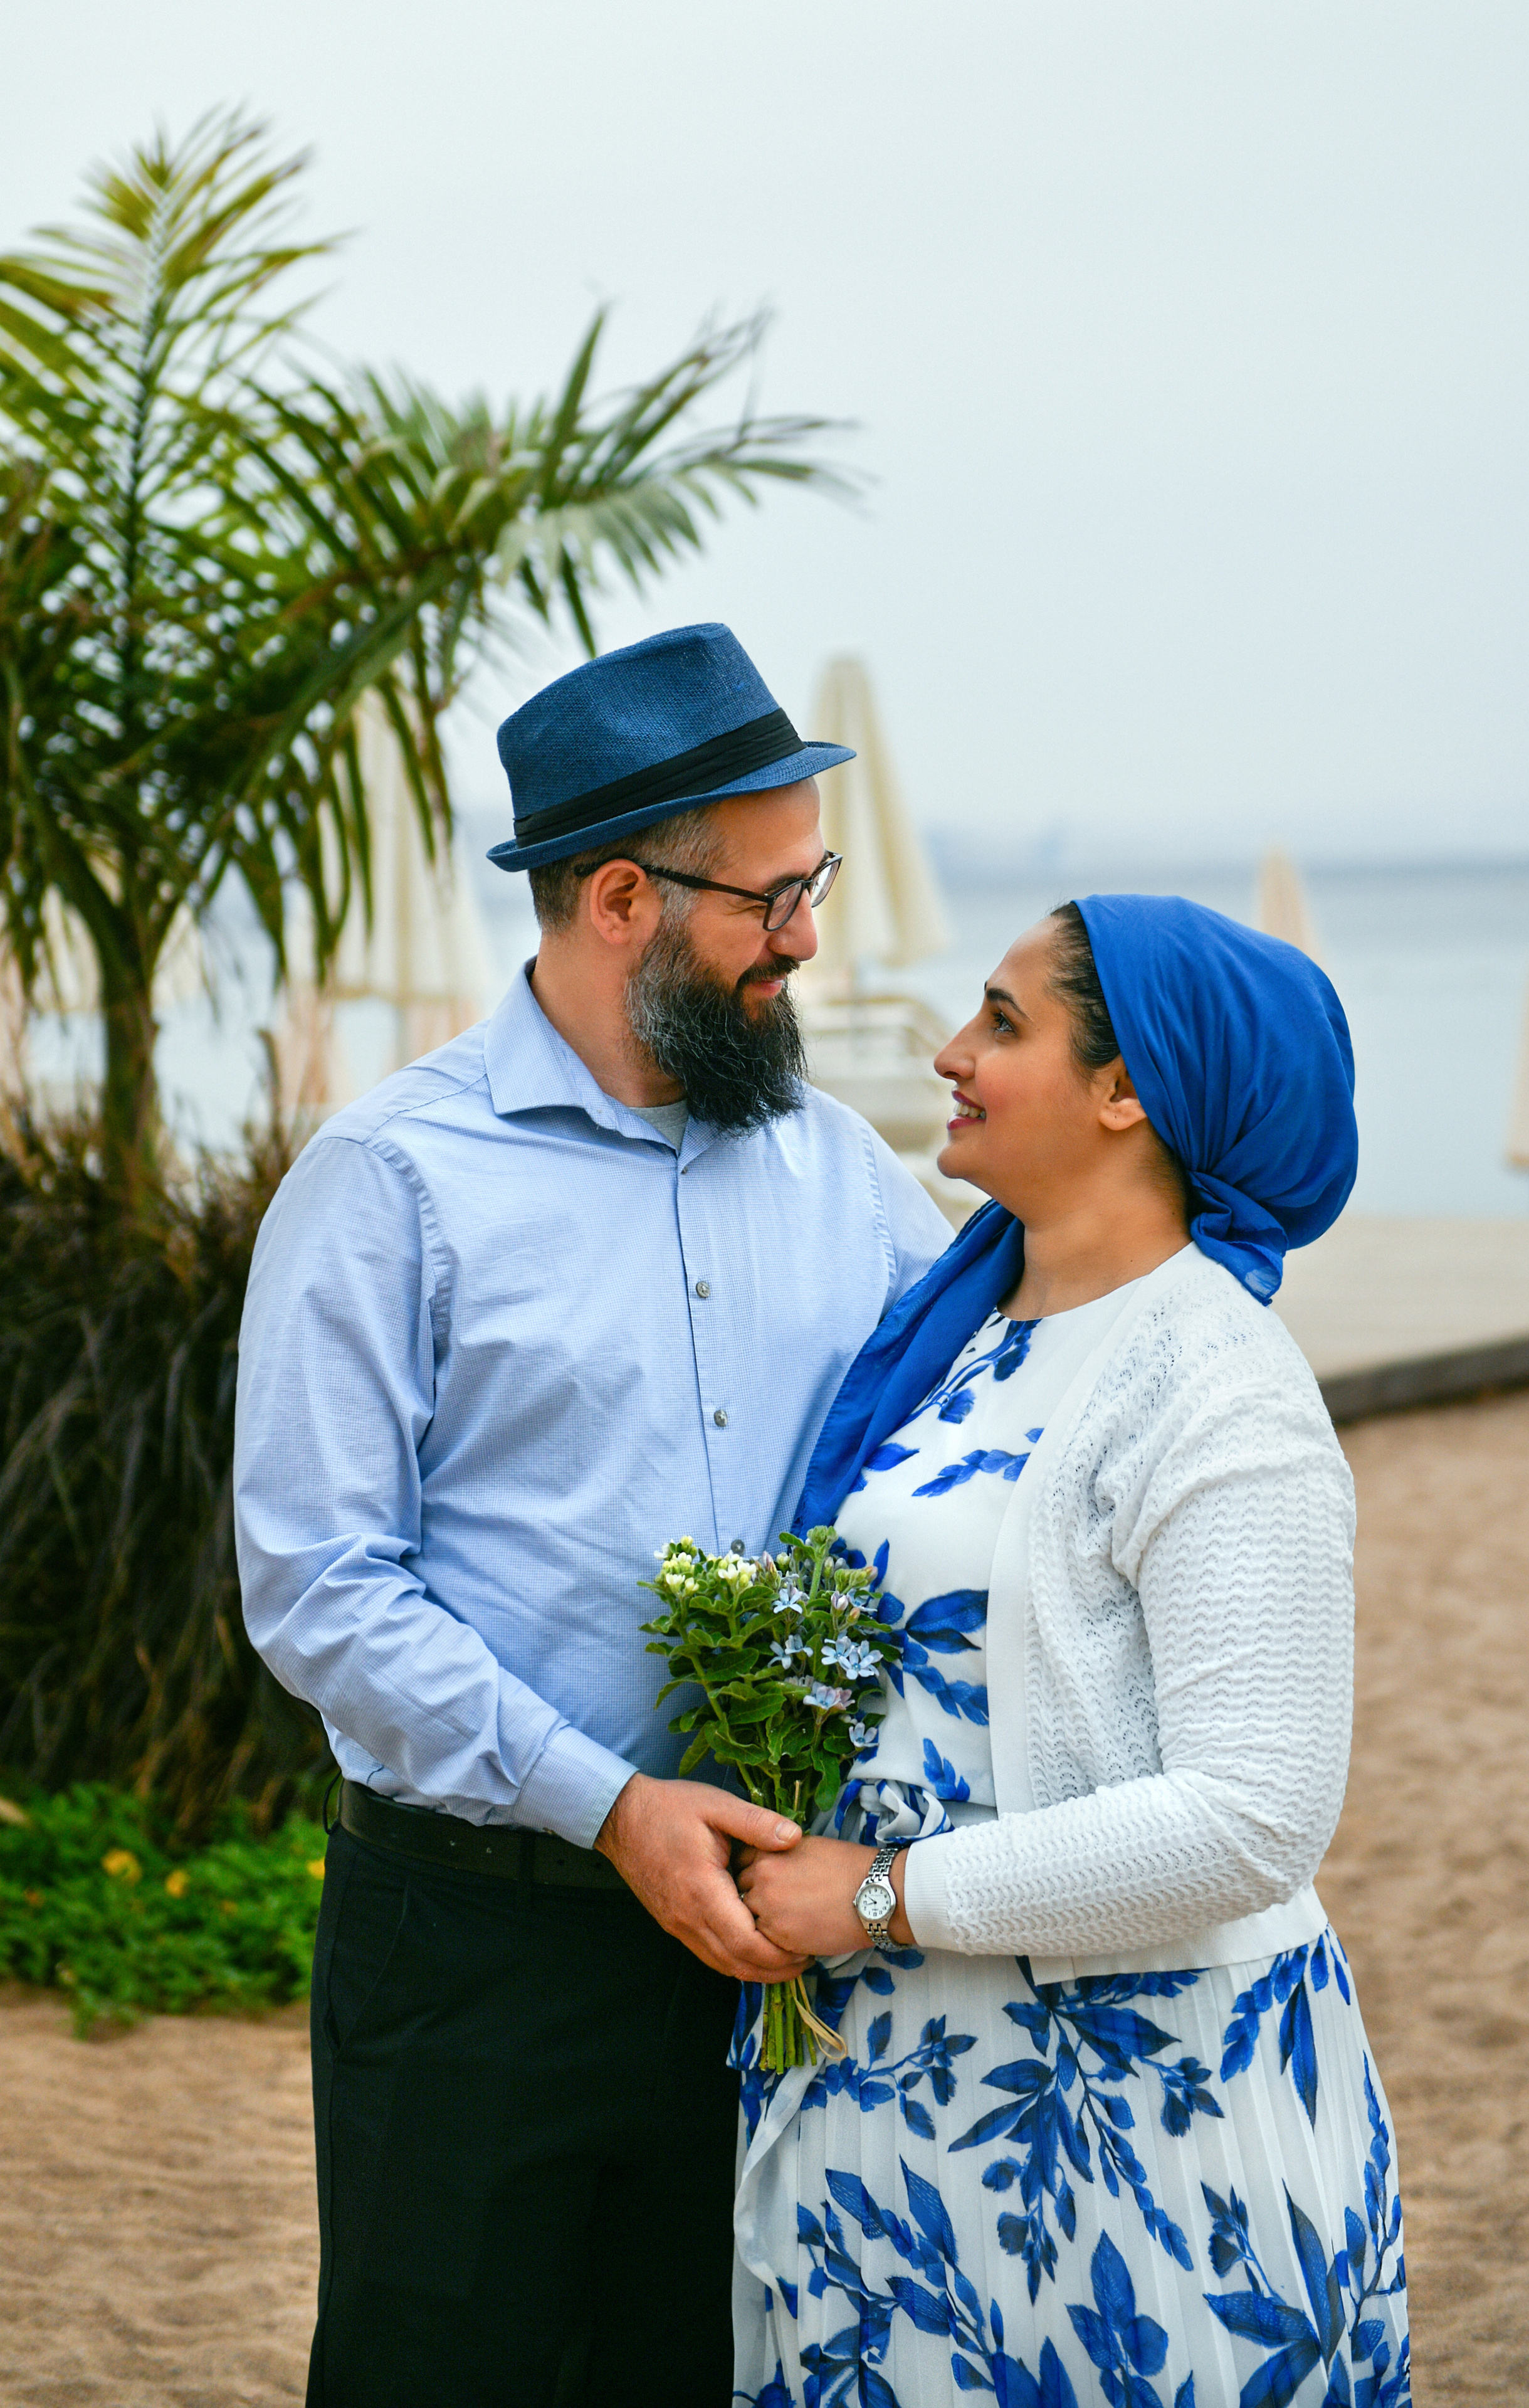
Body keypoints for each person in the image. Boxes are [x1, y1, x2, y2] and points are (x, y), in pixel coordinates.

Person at [233, 623, 952, 2408]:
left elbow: (975, 1446)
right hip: (473, 1948)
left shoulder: (847, 1176)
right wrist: (612, 1807)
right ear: (621, 898)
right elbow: (318, 1587)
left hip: (769, 1958)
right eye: (773, 899)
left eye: (814, 885)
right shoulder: (387, 1183)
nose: (808, 939)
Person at [732, 895, 1411, 2408]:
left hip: (1126, 2107)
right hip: (895, 2077)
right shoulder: (960, 1331)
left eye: (1001, 1022)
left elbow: (1253, 1816)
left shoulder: (1218, 1384)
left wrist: (880, 1894)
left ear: (1125, 1091)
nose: (947, 1053)